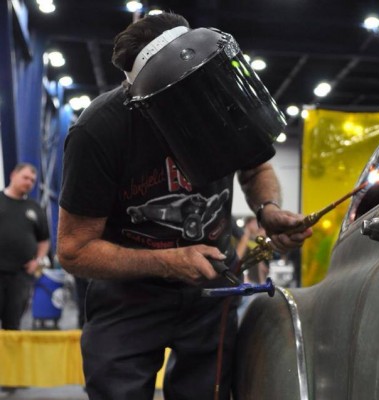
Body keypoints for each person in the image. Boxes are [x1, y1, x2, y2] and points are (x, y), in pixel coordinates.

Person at [57, 12, 311, 400]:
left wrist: (268, 210)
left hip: (211, 289)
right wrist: (168, 262)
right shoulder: (98, 131)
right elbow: (74, 250)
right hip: (129, 297)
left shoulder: (216, 96)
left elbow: (256, 165)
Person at [0, 163, 50, 330]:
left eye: (32, 180)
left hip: (21, 276)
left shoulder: (34, 208)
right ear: (13, 175)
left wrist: (39, 261)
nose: (29, 182)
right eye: (25, 177)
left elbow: (44, 240)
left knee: (13, 324)